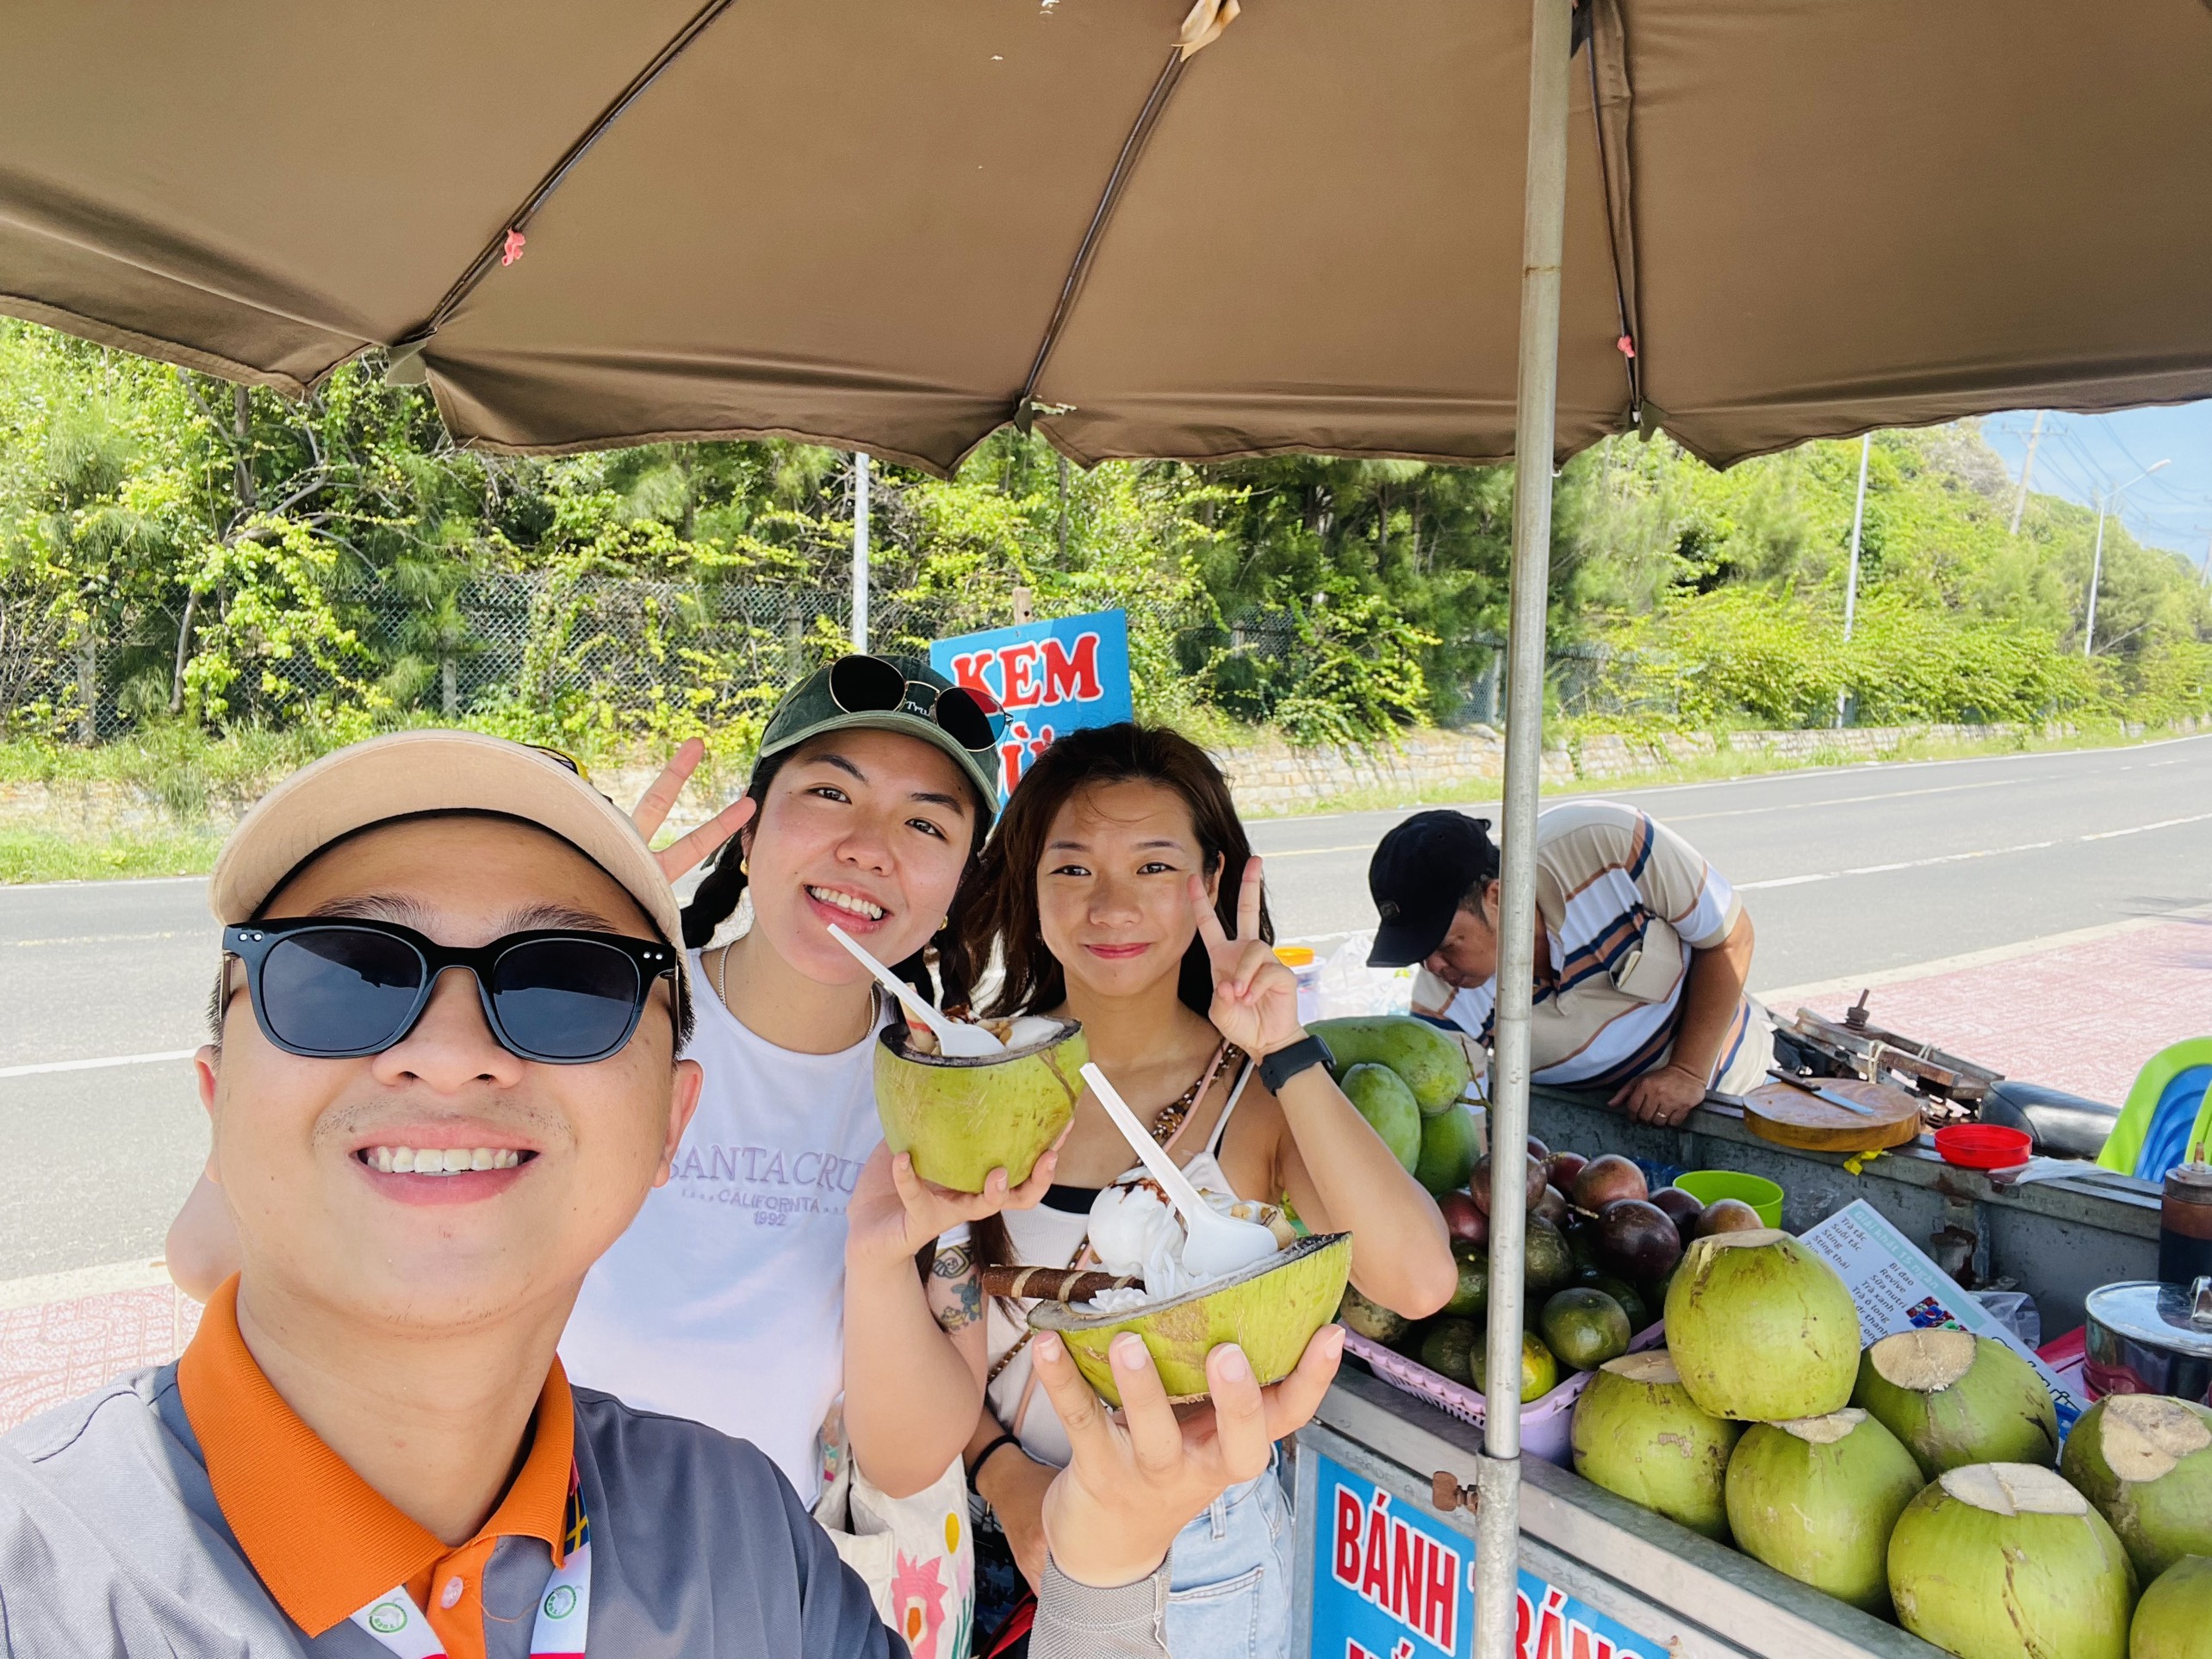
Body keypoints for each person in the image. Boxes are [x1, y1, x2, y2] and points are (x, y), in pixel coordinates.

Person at [0, 729, 1342, 1659]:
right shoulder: (53, 1574)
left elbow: (904, 1442)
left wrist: (1106, 1555)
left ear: (669, 1119)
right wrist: (595, 931)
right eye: (350, 970)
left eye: (558, 987)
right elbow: (220, 1238)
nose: (456, 1045)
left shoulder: (730, 1531)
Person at [948, 724, 1455, 1659]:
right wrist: (1003, 1477)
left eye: (1152, 867)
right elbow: (928, 1311)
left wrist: (1285, 1049)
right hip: (983, 1535)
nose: (1110, 906)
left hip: (1198, 1561)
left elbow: (1418, 1279)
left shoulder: (1253, 1097)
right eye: (1072, 869)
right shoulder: (980, 1069)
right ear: (1030, 881)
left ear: (1211, 882)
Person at [1366, 802, 1768, 1128]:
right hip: (1605, 1135)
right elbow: (1466, 1130)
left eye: (1446, 944)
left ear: (1499, 898)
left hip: (1732, 1090)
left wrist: (1688, 1072)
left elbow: (1730, 937)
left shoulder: (1607, 846)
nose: (1434, 965)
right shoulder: (1444, 1000)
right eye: (1420, 952)